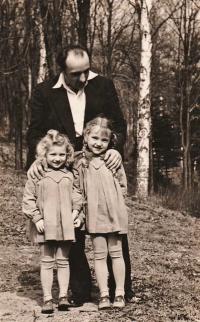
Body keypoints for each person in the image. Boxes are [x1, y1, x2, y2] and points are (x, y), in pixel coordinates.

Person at [26, 44, 133, 305]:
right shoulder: (43, 92)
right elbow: (35, 132)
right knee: (71, 229)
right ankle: (81, 290)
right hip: (64, 169)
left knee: (110, 226)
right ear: (62, 70)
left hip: (101, 168)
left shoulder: (103, 85)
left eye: (86, 71)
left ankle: (121, 289)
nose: (84, 78)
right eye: (76, 74)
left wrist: (116, 149)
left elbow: (118, 124)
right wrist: (39, 159)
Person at [72, 116, 128, 310]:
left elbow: (122, 186)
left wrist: (118, 207)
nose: (99, 143)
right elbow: (77, 190)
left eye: (104, 140)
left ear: (110, 140)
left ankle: (119, 293)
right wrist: (78, 212)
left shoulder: (112, 160)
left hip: (114, 214)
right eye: (95, 138)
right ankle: (104, 294)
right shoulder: (80, 163)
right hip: (94, 216)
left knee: (116, 252)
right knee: (99, 254)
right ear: (86, 136)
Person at [22, 130, 79, 314]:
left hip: (65, 225)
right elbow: (28, 198)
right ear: (44, 154)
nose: (57, 158)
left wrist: (77, 212)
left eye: (61, 154)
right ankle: (47, 298)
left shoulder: (70, 175)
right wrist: (36, 218)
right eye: (52, 154)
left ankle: (63, 296)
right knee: (47, 261)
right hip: (45, 224)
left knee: (63, 260)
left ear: (67, 155)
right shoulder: (38, 174)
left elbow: (78, 196)